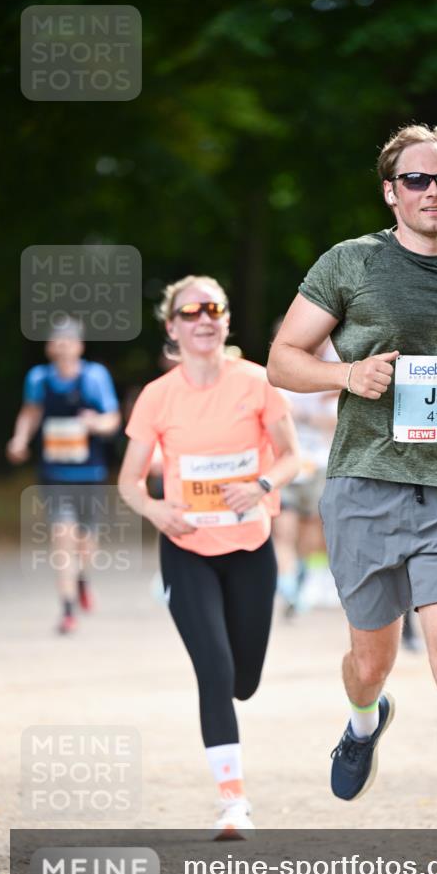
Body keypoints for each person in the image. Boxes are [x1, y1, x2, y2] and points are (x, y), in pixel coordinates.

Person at [268, 123, 437, 874]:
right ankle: (362, 721)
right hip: (367, 483)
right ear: (390, 191)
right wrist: (345, 378)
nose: (431, 192)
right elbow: (282, 360)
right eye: (415, 181)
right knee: (369, 660)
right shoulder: (350, 263)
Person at [118, 275, 299, 837]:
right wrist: (155, 511)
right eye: (190, 311)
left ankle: (233, 788)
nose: (203, 318)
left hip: (250, 548)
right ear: (172, 327)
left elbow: (291, 457)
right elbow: (128, 483)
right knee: (215, 673)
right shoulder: (158, 396)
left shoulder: (257, 382)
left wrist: (263, 485)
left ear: (225, 320)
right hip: (187, 552)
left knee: (244, 679)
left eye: (213, 308)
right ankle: (233, 803)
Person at [7, 318, 121, 633]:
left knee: (87, 542)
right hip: (54, 474)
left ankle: (82, 578)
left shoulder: (94, 377)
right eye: (57, 341)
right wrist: (19, 439)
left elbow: (112, 418)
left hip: (90, 473)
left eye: (69, 341)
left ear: (79, 346)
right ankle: (67, 608)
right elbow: (30, 413)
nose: (63, 346)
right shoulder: (39, 378)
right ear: (49, 347)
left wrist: (95, 424)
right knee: (62, 537)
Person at [272, 336, 339, 616]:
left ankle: (302, 576)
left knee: (312, 530)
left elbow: (338, 419)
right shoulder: (279, 372)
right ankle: (287, 585)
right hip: (289, 463)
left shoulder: (337, 366)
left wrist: (305, 416)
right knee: (284, 529)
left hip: (320, 462)